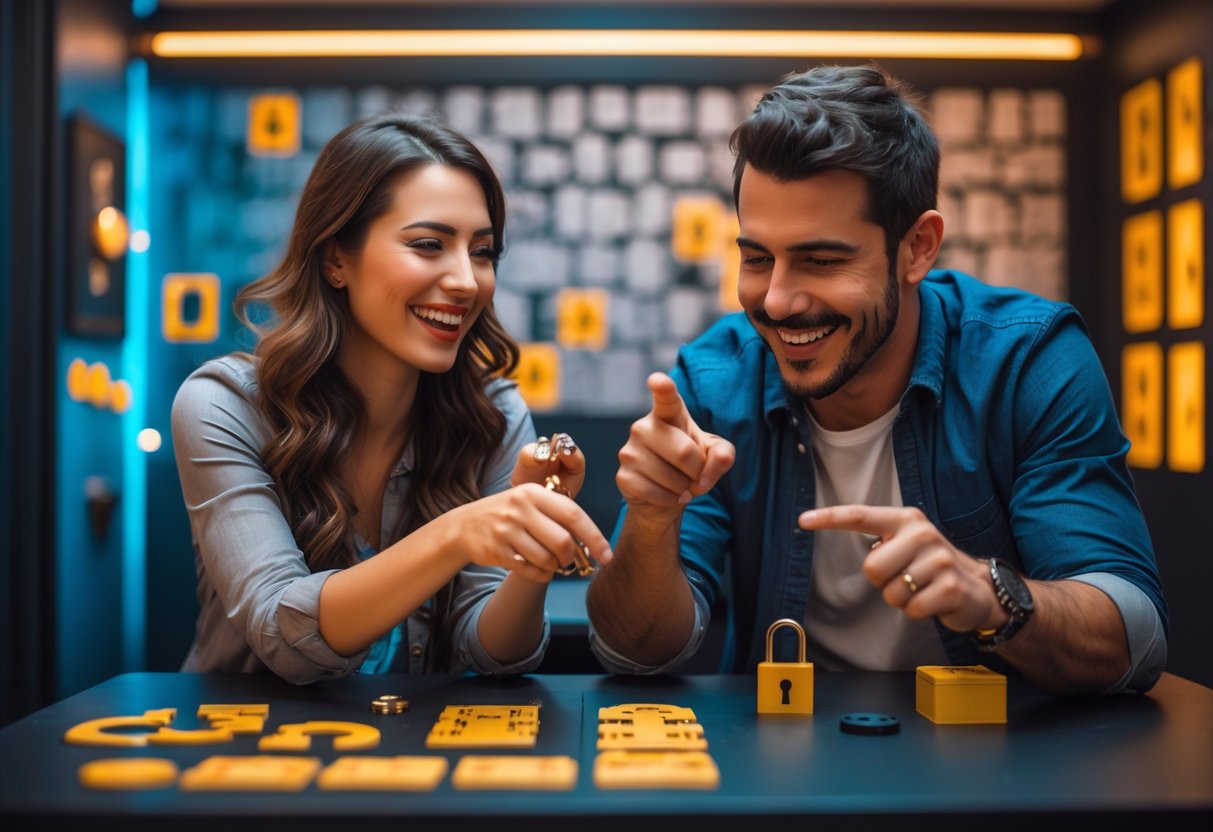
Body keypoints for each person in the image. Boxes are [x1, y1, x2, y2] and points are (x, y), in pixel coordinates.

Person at [587, 64, 1167, 695]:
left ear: (918, 247)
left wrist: (992, 596)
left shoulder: (1028, 360)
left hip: (1002, 765)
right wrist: (650, 519)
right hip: (785, 763)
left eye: (821, 260)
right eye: (756, 258)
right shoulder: (713, 379)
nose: (777, 301)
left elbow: (1134, 637)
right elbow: (632, 650)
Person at [172, 113, 611, 684]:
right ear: (335, 260)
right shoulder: (223, 406)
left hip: (424, 761)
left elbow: (500, 654)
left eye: (482, 252)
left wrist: (530, 557)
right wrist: (457, 534)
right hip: (248, 756)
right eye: (428, 245)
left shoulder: (494, 414)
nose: (466, 280)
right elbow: (284, 634)